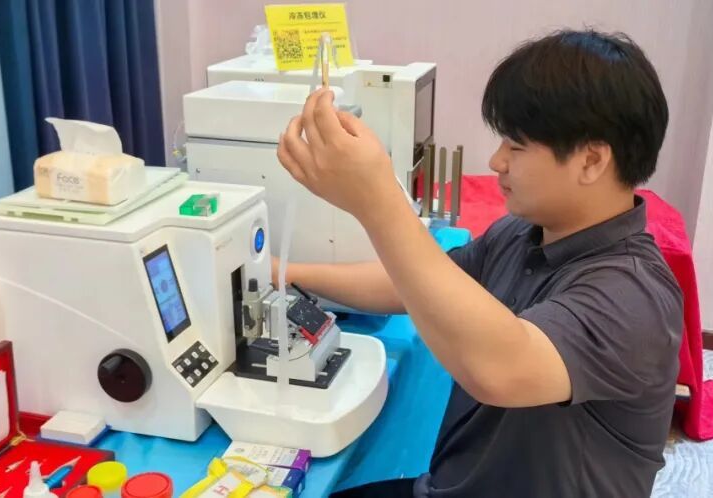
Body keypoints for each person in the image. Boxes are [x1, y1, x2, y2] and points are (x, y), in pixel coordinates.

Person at [273, 29, 683, 498]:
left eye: (516, 146)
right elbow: (415, 281)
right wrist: (287, 273)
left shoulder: (634, 295)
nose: (496, 161)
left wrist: (376, 200)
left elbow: (499, 370)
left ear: (591, 161)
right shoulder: (523, 232)